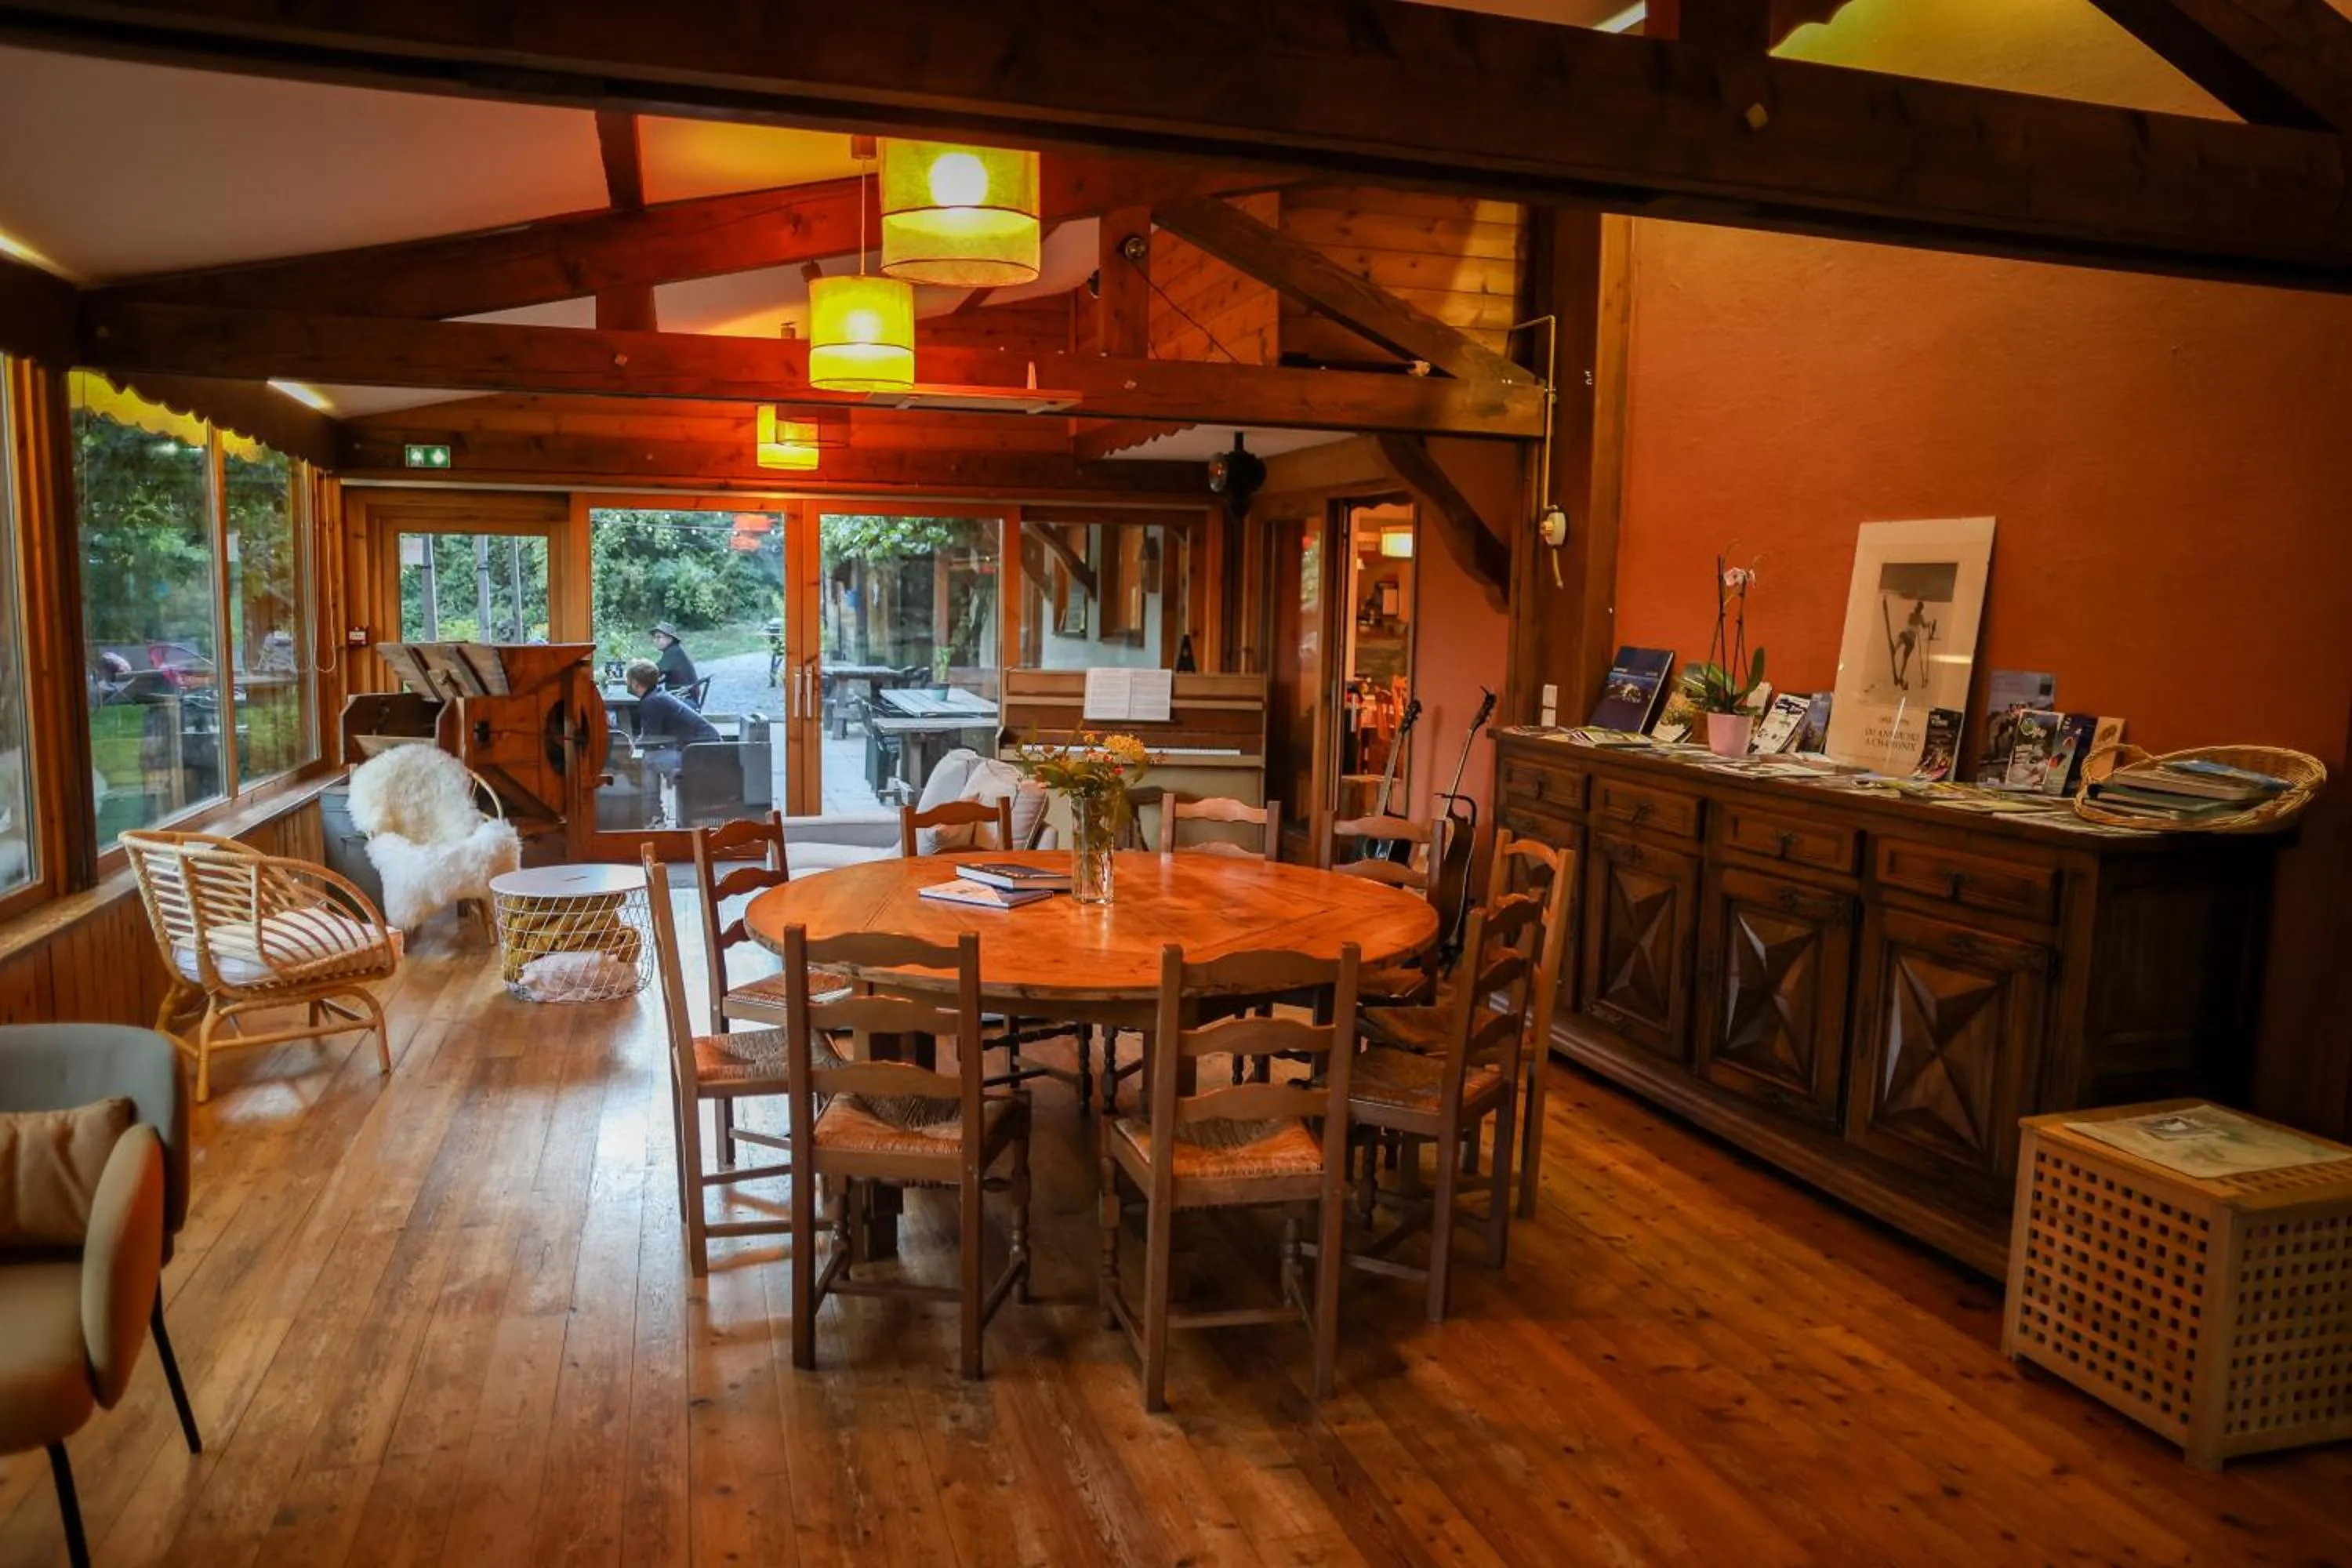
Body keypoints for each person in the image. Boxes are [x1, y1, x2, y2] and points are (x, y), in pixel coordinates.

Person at [625, 658, 719, 826]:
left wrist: (628, 746)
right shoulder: (657, 695)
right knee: (651, 758)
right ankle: (655, 815)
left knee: (648, 761)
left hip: (700, 755)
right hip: (703, 750)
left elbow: (651, 742)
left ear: (635, 683)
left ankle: (654, 816)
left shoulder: (651, 702)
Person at [649, 622, 699, 697]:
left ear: (670, 638)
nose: (655, 640)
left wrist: (638, 673)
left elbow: (655, 671)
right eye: (654, 637)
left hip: (684, 698)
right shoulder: (675, 650)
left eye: (659, 637)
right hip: (683, 695)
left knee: (648, 701)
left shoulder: (673, 652)